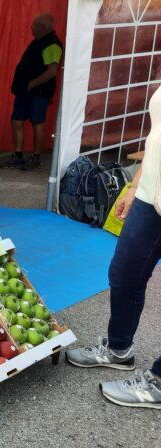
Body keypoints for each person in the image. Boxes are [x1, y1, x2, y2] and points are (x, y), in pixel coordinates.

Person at [66, 85, 161, 409]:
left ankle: (159, 383)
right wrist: (135, 185)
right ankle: (119, 350)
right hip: (151, 195)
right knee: (125, 273)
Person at [1, 14, 63, 171]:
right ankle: (18, 154)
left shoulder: (52, 45)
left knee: (38, 123)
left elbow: (52, 72)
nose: (31, 27)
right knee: (17, 120)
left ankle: (36, 157)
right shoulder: (38, 42)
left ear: (42, 28)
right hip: (25, 91)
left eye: (34, 25)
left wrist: (32, 83)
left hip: (39, 91)